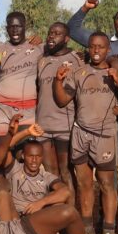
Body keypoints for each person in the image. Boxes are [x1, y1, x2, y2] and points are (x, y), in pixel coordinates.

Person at [68, 0, 118, 227]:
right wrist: (85, 8)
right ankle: (106, 221)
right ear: (114, 20)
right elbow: (72, 28)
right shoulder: (99, 43)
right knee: (107, 177)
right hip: (106, 122)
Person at [53, 32, 118, 234]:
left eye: (101, 47)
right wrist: (57, 81)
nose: (96, 51)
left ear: (108, 49)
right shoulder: (79, 72)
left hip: (105, 135)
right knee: (84, 183)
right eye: (92, 47)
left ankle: (108, 231)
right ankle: (88, 228)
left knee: (107, 184)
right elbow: (62, 101)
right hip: (81, 134)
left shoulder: (115, 73)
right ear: (88, 49)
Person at [35, 22, 81, 201]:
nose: (51, 36)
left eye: (57, 33)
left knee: (66, 172)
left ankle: (71, 214)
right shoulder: (43, 60)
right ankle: (55, 212)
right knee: (49, 172)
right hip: (43, 126)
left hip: (65, 127)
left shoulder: (76, 60)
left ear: (67, 38)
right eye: (50, 33)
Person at [0, 12, 43, 146]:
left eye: (19, 26)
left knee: (24, 151)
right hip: (2, 108)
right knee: (3, 151)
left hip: (28, 109)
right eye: (11, 26)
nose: (15, 30)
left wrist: (80, 55)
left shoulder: (38, 48)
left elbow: (59, 50)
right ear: (6, 28)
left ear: (25, 26)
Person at [4, 140, 70, 217]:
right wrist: (27, 132)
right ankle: (8, 228)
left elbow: (66, 191)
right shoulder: (14, 168)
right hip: (16, 216)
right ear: (23, 156)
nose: (34, 160)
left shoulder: (46, 176)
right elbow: (4, 147)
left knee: (59, 204)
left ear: (42, 157)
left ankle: (53, 228)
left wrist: (41, 203)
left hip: (36, 218)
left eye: (38, 156)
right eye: (30, 156)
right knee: (2, 196)